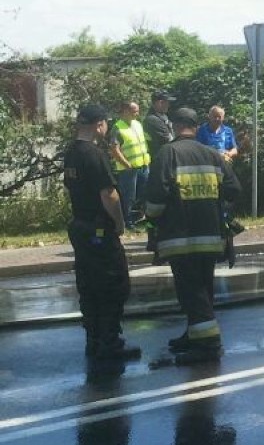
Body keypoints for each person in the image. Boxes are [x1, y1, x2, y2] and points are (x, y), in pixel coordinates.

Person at [145, 107, 242, 364]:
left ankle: (208, 345)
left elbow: (155, 198)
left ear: (175, 127)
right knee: (204, 288)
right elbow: (233, 189)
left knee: (190, 292)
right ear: (196, 128)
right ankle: (193, 335)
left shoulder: (167, 154)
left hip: (180, 238)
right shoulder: (212, 155)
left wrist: (153, 219)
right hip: (210, 237)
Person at [63, 103, 141, 362]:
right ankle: (110, 343)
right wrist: (119, 223)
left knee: (89, 284)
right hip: (99, 228)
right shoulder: (94, 155)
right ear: (99, 125)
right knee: (113, 284)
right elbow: (109, 194)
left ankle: (94, 339)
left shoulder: (72, 153)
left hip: (80, 226)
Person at [108, 101, 150, 229]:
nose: (137, 114)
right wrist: (126, 164)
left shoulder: (137, 124)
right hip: (128, 169)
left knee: (144, 194)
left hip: (143, 165)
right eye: (134, 111)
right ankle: (128, 222)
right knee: (129, 196)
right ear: (125, 111)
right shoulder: (118, 127)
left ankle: (140, 218)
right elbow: (114, 149)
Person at [143, 90, 176, 159]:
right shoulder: (152, 120)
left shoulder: (162, 117)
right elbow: (169, 140)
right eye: (167, 102)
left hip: (166, 157)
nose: (168, 105)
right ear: (160, 103)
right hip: (160, 159)